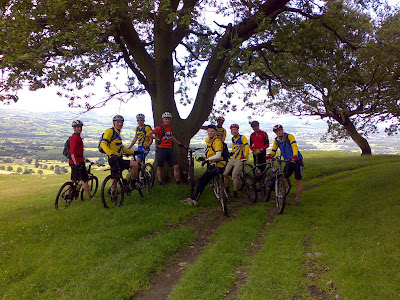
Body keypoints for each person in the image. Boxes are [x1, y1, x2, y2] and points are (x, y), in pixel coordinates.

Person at [181, 124, 227, 206]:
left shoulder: (217, 142)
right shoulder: (210, 141)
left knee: (202, 181)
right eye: (209, 131)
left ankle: (194, 200)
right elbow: (210, 153)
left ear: (215, 132)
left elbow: (218, 155)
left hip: (217, 165)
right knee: (203, 180)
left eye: (212, 131)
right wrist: (203, 158)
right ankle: (192, 198)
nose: (210, 132)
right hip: (213, 164)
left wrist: (207, 159)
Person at [267, 124, 304, 205]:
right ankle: (280, 196)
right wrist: (270, 155)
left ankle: (297, 200)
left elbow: (294, 146)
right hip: (288, 162)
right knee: (283, 179)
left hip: (297, 161)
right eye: (277, 131)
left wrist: (295, 156)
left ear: (282, 130)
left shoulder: (289, 136)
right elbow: (274, 151)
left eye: (280, 130)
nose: (279, 132)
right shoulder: (276, 140)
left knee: (298, 181)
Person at [100, 115, 140, 189]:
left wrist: (134, 152)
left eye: (121, 122)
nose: (119, 124)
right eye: (117, 122)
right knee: (135, 164)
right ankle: (133, 183)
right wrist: (110, 153)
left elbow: (122, 148)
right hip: (113, 158)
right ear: (113, 123)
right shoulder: (110, 131)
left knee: (115, 178)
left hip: (117, 158)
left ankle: (113, 194)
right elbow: (103, 143)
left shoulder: (117, 133)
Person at [146, 112, 183, 185]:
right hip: (161, 149)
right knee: (160, 167)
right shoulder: (160, 128)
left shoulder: (170, 127)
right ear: (163, 119)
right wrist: (156, 138)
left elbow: (171, 136)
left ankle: (178, 183)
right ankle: (160, 182)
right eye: (166, 119)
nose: (167, 120)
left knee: (176, 166)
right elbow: (148, 134)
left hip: (169, 149)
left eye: (168, 119)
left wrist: (178, 143)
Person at [69, 120, 94, 199]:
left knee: (73, 179)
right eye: (77, 127)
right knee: (84, 180)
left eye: (80, 127)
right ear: (74, 128)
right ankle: (90, 196)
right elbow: (72, 151)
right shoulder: (75, 138)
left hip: (74, 161)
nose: (79, 128)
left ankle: (68, 195)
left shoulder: (76, 137)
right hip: (77, 162)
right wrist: (76, 162)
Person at [223, 124, 250, 198]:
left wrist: (245, 155)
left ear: (238, 130)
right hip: (233, 158)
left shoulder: (242, 138)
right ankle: (227, 188)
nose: (234, 131)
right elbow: (234, 147)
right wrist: (231, 153)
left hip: (240, 159)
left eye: (235, 129)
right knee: (225, 174)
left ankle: (235, 192)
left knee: (234, 175)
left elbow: (247, 146)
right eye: (232, 130)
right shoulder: (233, 139)